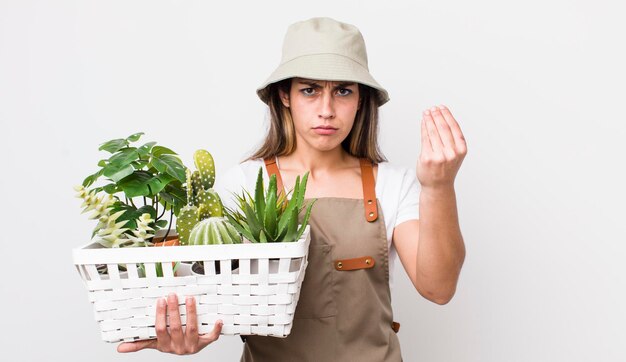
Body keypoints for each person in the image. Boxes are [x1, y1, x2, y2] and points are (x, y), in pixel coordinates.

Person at [117, 16, 467, 361]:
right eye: (310, 90)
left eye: (343, 90)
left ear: (361, 100)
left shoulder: (392, 183)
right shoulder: (242, 184)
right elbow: (210, 294)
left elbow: (437, 288)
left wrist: (438, 187)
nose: (327, 110)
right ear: (285, 95)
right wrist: (187, 332)